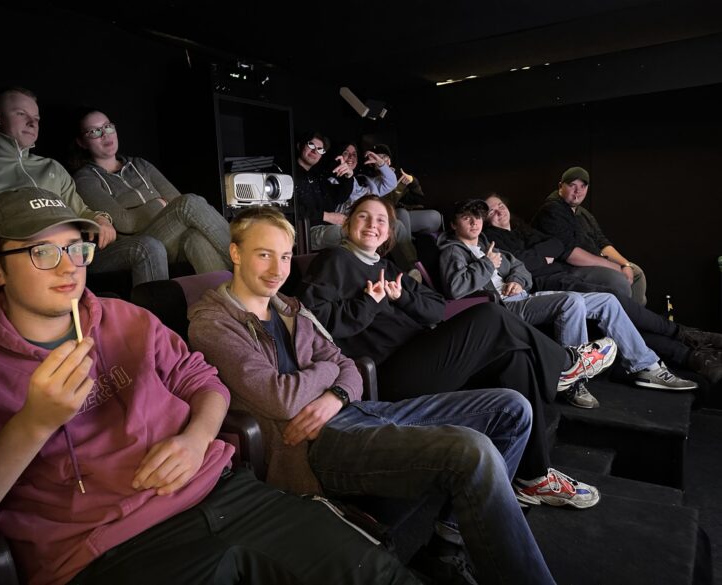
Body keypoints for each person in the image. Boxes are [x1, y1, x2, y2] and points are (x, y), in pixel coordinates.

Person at [0, 186, 420, 585]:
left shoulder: (126, 318)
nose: (69, 267)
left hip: (221, 491)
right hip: (107, 550)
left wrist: (196, 439)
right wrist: (34, 423)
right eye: (43, 252)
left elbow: (204, 381)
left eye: (76, 248)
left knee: (380, 573)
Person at [187, 205, 556, 585]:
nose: (278, 270)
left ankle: (449, 542)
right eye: (264, 254)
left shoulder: (288, 308)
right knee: (472, 449)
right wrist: (330, 372)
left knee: (513, 407)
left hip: (356, 410)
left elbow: (347, 367)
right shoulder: (212, 322)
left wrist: (335, 394)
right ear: (236, 253)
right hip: (314, 444)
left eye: (284, 257)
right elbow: (282, 397)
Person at [298, 195, 608, 509]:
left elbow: (436, 309)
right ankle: (564, 365)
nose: (372, 225)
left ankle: (533, 477)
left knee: (515, 359)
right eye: (363, 216)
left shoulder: (388, 267)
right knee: (491, 315)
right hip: (390, 374)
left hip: (424, 355)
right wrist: (369, 302)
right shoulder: (334, 260)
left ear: (389, 232)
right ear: (348, 224)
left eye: (381, 220)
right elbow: (317, 323)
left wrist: (402, 297)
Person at [438, 198, 698, 407]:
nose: (474, 222)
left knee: (607, 301)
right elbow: (456, 288)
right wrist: (486, 265)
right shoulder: (452, 251)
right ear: (453, 224)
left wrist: (516, 280)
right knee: (571, 301)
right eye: (466, 217)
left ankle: (646, 366)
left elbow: (521, 269)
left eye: (477, 216)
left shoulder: (488, 245)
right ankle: (572, 379)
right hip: (502, 308)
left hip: (521, 296)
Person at [485, 193, 722, 384]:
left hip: (561, 274)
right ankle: (688, 345)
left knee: (616, 303)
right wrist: (542, 256)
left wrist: (541, 255)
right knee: (612, 299)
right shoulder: (492, 239)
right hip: (546, 284)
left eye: (500, 206)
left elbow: (557, 245)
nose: (499, 211)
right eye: (492, 211)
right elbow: (522, 264)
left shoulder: (522, 228)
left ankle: (692, 351)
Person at [0, 86, 167, 287]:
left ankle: (150, 323)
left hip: (73, 254)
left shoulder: (51, 167)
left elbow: (81, 211)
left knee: (147, 246)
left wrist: (101, 219)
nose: (32, 122)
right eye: (21, 114)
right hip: (20, 258)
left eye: (36, 118)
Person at [72, 109, 232, 275]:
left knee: (196, 237)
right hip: (135, 244)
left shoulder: (140, 164)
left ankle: (227, 291)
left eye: (108, 127)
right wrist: (159, 203)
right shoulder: (85, 178)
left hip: (169, 237)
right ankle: (242, 255)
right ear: (82, 142)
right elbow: (125, 223)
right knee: (188, 203)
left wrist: (166, 207)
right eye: (94, 131)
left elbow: (175, 199)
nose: (105, 134)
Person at [293, 131, 419, 275]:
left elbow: (390, 183)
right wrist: (328, 215)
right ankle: (375, 275)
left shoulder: (325, 179)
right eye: (311, 145)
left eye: (320, 149)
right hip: (313, 229)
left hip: (343, 223)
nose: (315, 151)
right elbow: (294, 210)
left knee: (396, 225)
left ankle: (412, 271)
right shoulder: (326, 178)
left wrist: (379, 164)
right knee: (357, 232)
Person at [532, 166, 647, 304]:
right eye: (572, 185)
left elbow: (601, 243)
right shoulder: (552, 210)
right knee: (618, 280)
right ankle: (624, 315)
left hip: (590, 263)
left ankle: (634, 315)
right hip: (565, 269)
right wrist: (615, 267)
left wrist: (625, 264)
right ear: (560, 186)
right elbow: (570, 254)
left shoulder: (583, 213)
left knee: (636, 273)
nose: (578, 191)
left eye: (583, 186)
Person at [370, 143, 443, 236]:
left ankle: (412, 237)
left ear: (389, 160)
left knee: (435, 217)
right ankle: (406, 243)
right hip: (385, 217)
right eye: (378, 158)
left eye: (385, 157)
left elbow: (417, 199)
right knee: (402, 213)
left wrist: (412, 181)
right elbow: (382, 205)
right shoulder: (370, 180)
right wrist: (397, 190)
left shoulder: (398, 176)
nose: (383, 160)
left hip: (403, 215)